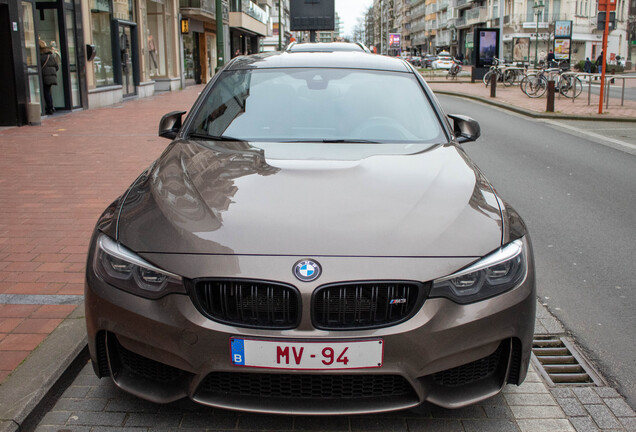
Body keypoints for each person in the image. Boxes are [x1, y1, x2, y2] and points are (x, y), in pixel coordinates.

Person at [39, 40, 58, 115]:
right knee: (48, 92)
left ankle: (49, 107)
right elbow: (56, 66)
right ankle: (51, 107)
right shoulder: (51, 55)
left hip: (45, 77)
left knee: (46, 92)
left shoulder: (40, 56)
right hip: (51, 77)